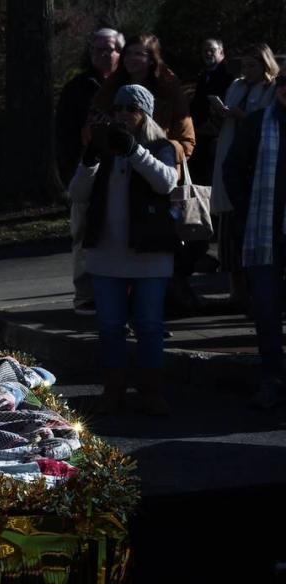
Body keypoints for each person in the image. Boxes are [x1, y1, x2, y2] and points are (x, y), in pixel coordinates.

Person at [70, 84, 180, 416]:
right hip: (107, 255)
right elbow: (77, 193)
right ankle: (113, 389)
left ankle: (152, 391)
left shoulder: (161, 146)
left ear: (144, 114)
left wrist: (134, 151)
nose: (122, 115)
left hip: (150, 256)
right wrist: (89, 159)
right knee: (110, 326)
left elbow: (166, 182)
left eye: (130, 109)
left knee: (149, 326)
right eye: (117, 109)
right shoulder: (104, 148)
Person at [91, 34, 198, 317]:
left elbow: (185, 143)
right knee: (111, 323)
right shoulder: (111, 87)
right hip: (112, 230)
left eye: (140, 54)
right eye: (129, 54)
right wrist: (92, 154)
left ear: (153, 59)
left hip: (155, 182)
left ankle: (173, 300)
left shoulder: (169, 88)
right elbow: (79, 190)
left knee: (150, 316)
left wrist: (149, 147)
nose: (132, 60)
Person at [223, 75, 286, 409]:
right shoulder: (259, 123)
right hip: (265, 231)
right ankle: (272, 377)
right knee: (266, 309)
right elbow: (232, 168)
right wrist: (247, 208)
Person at [56, 27, 124, 315]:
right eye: (97, 49)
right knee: (83, 233)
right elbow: (63, 136)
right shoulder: (77, 88)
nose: (102, 54)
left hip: (123, 170)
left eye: (108, 49)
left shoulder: (127, 85)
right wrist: (71, 173)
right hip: (87, 169)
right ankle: (86, 294)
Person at [212, 44, 280, 312]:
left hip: (256, 164)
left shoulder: (272, 89)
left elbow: (267, 120)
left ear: (265, 64)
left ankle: (256, 293)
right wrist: (221, 113)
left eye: (253, 65)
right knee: (230, 232)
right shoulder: (237, 86)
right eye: (244, 66)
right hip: (232, 156)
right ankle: (236, 292)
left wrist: (242, 116)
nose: (247, 71)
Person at [189, 39, 234, 183]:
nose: (208, 53)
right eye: (204, 51)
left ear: (221, 52)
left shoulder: (229, 75)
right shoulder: (203, 75)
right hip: (201, 128)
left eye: (212, 50)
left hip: (218, 130)